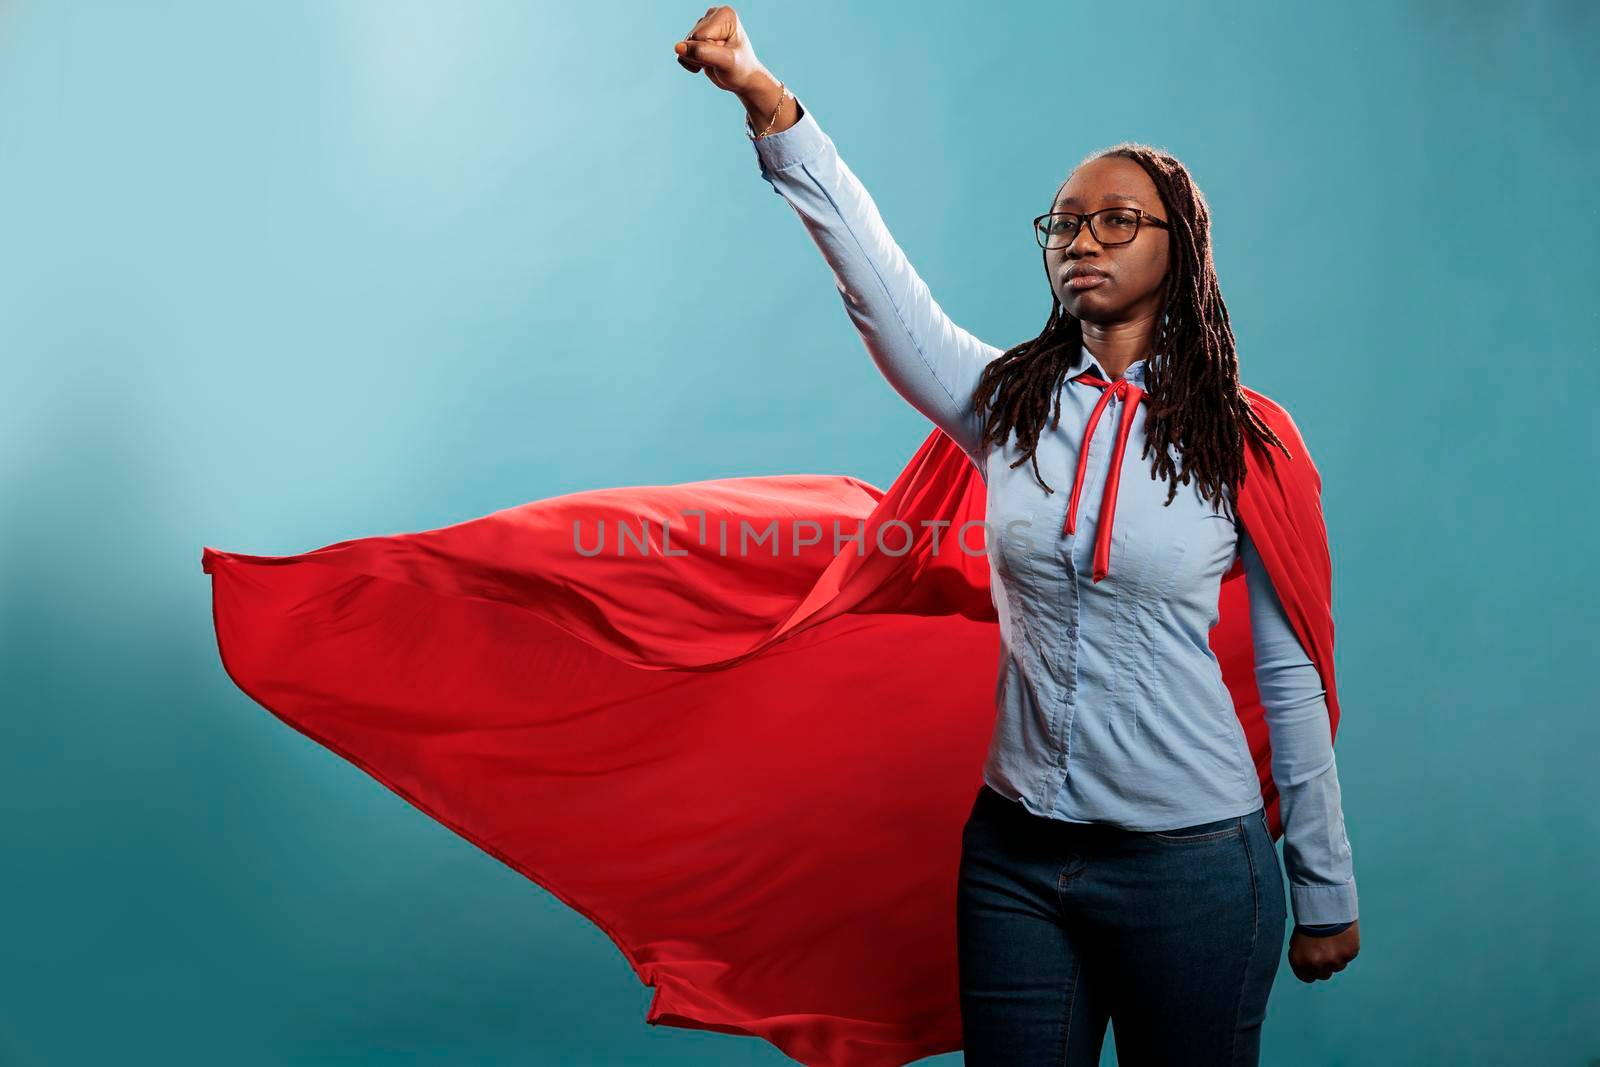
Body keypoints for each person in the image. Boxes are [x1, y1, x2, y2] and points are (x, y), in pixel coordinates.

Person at [675, 7, 1360, 1064]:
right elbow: (878, 287)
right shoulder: (1011, 404)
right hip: (1014, 858)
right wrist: (770, 105)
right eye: (1064, 222)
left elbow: (1290, 673)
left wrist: (1322, 885)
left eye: (1116, 220)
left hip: (1191, 870)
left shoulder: (1247, 441)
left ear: (1183, 247)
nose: (1080, 238)